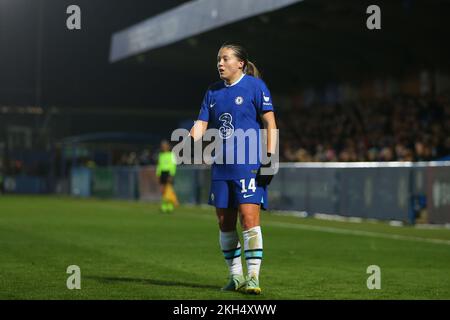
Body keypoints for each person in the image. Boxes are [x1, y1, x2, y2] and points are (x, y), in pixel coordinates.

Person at [188, 43, 278, 294]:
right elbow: (201, 123)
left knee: (249, 219)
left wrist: (270, 157)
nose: (220, 63)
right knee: (224, 222)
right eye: (218, 59)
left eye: (225, 58)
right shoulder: (213, 91)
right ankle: (235, 276)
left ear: (240, 63)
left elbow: (269, 121)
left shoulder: (255, 86)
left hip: (248, 164)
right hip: (221, 167)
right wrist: (189, 141)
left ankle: (253, 277)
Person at [156, 140, 178, 213]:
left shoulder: (171, 154)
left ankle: (170, 206)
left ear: (168, 146)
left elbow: (173, 165)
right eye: (162, 146)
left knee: (169, 190)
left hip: (168, 173)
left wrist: (171, 174)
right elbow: (159, 165)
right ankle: (164, 206)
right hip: (162, 173)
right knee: (163, 190)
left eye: (165, 145)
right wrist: (158, 174)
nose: (163, 147)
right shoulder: (160, 155)